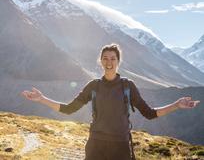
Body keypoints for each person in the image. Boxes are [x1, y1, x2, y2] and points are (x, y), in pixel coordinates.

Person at [21, 43, 200, 160]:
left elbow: (150, 113)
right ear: (100, 61)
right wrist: (42, 99)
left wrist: (176, 105)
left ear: (118, 61)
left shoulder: (128, 86)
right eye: (105, 58)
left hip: (121, 147)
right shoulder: (93, 86)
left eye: (113, 58)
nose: (109, 62)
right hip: (96, 146)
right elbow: (69, 109)